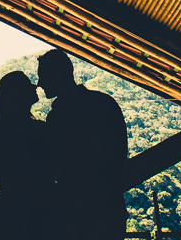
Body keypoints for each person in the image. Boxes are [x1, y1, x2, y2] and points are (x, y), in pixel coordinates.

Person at [37, 49, 127, 240]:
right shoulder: (103, 104)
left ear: (56, 75)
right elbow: (117, 155)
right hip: (106, 207)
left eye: (42, 76)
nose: (39, 83)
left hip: (76, 213)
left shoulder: (55, 117)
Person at [0, 71, 54, 240]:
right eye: (27, 84)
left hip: (9, 209)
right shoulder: (39, 130)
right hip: (38, 209)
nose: (34, 86)